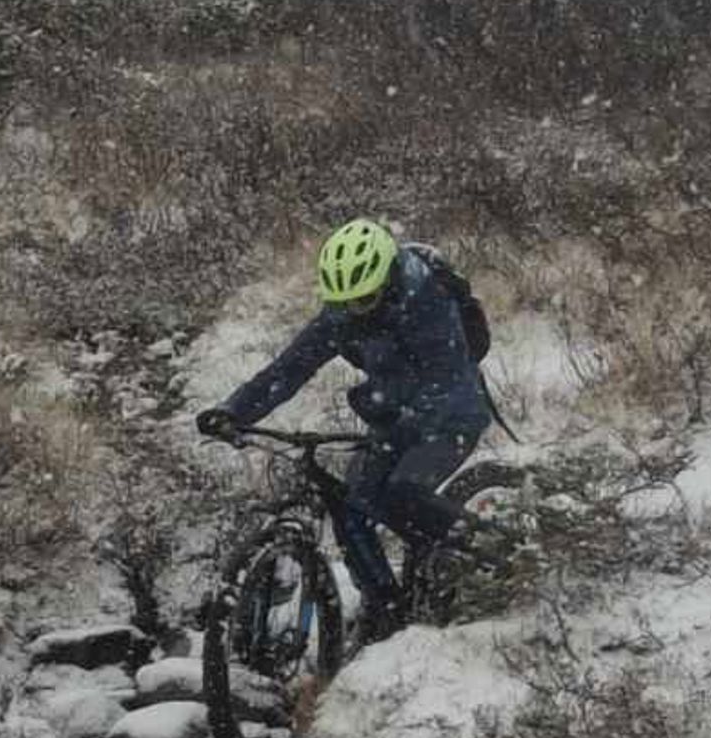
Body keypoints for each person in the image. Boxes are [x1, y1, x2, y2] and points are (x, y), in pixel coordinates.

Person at [197, 219, 493, 632]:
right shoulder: (342, 315)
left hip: (454, 415)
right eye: (348, 301)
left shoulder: (427, 300)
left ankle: (498, 552)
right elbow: (288, 369)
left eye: (364, 299)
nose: (356, 309)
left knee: (401, 492)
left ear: (387, 279)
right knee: (352, 508)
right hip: (395, 417)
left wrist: (401, 427)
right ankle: (387, 612)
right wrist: (234, 411)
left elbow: (446, 380)